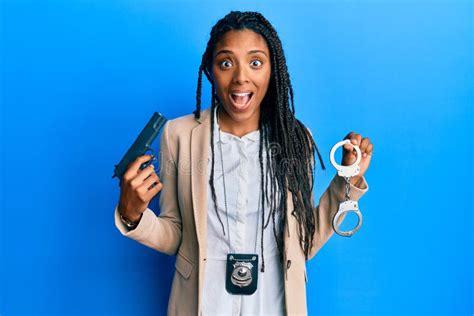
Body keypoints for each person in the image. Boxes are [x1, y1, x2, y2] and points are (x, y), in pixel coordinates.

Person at [114, 11, 373, 315]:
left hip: (273, 303)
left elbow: (305, 242)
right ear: (210, 71)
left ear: (271, 70)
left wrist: (347, 181)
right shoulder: (179, 135)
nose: (241, 77)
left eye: (255, 62)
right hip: (203, 302)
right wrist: (132, 215)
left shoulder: (295, 138)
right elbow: (176, 235)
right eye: (226, 63)